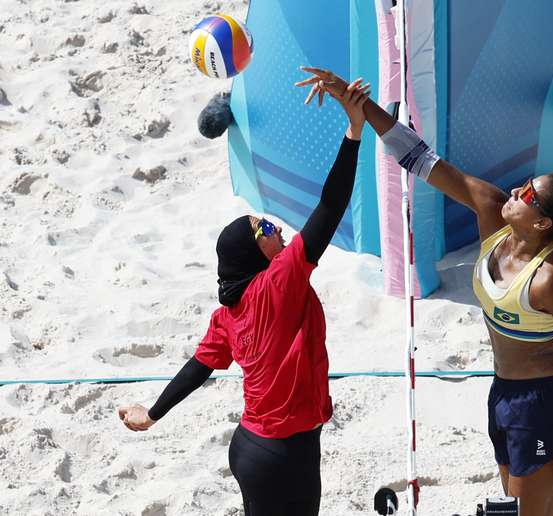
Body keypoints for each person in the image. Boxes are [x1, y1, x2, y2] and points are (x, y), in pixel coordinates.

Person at [296, 67, 553, 515]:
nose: (517, 189)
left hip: (546, 404)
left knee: (523, 512)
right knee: (523, 509)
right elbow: (419, 158)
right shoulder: (493, 212)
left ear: (543, 224)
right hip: (503, 396)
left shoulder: (550, 280)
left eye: (528, 194)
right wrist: (356, 104)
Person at [118, 79, 371, 516]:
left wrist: (153, 413)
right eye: (264, 229)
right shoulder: (280, 281)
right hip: (284, 454)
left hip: (252, 449)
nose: (274, 228)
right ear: (255, 253)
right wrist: (354, 131)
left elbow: (198, 368)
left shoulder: (228, 314)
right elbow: (330, 207)